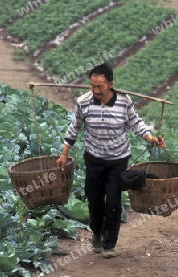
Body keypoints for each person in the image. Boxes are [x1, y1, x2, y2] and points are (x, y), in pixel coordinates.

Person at [56, 63, 165, 258]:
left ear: (111, 84)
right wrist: (64, 153)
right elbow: (75, 128)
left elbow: (135, 122)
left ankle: (109, 243)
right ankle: (97, 232)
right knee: (94, 200)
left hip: (118, 159)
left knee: (113, 201)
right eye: (92, 85)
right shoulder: (83, 102)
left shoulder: (124, 101)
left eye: (100, 86)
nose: (96, 90)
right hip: (94, 158)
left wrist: (150, 137)